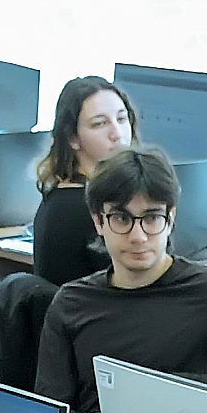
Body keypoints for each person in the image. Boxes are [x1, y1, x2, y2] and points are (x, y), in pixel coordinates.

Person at [33, 146, 207, 413]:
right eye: (121, 218)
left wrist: (166, 388)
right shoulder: (71, 303)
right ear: (98, 221)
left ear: (171, 218)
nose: (138, 236)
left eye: (152, 218)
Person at [27, 75, 141, 293]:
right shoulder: (83, 208)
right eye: (100, 124)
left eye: (121, 119)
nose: (117, 134)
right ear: (73, 138)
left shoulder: (63, 194)